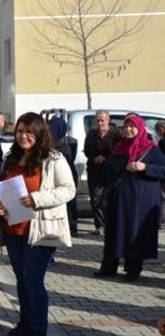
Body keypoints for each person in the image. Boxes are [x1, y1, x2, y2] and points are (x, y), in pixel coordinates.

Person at [0, 113, 75, 336]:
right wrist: (1, 205)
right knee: (21, 279)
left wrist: (37, 199)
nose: (23, 136)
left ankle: (38, 331)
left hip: (41, 230)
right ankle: (25, 322)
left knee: (33, 279)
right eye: (20, 131)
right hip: (14, 229)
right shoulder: (12, 158)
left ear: (40, 134)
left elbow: (68, 190)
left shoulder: (54, 159)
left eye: (29, 132)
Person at [96, 115, 165, 281]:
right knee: (114, 231)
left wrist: (145, 166)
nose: (128, 129)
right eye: (126, 126)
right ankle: (109, 267)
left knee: (133, 232)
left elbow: (163, 169)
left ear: (140, 128)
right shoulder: (119, 146)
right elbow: (110, 170)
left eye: (132, 127)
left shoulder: (150, 148)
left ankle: (133, 270)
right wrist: (103, 185)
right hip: (118, 198)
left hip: (140, 200)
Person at [83, 110, 122, 235]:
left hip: (110, 170)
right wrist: (94, 157)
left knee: (108, 198)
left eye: (102, 120)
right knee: (95, 198)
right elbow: (87, 150)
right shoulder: (91, 134)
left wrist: (106, 157)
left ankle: (112, 224)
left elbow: (119, 151)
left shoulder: (117, 134)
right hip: (94, 170)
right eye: (98, 120)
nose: (100, 123)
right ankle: (100, 225)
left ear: (108, 120)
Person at [48, 117, 80, 236]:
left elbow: (72, 157)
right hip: (53, 174)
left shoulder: (70, 142)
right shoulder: (47, 142)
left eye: (52, 129)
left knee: (70, 201)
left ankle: (72, 227)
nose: (50, 132)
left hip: (68, 174)